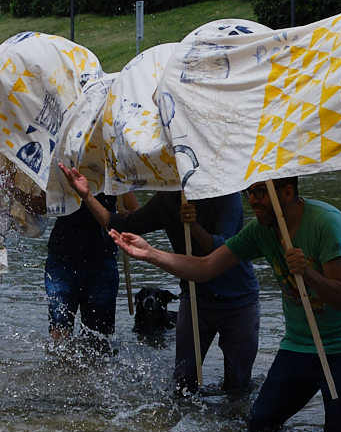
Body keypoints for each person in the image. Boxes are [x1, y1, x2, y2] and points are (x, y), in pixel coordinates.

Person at [111, 176, 341, 432]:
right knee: (260, 426)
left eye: (261, 193)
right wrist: (151, 253)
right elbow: (205, 267)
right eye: (249, 192)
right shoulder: (261, 230)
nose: (252, 201)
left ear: (287, 193)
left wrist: (308, 273)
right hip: (300, 343)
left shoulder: (327, 222)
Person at [56, 164, 260, 394]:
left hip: (238, 301)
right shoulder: (166, 199)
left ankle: (234, 428)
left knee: (238, 387)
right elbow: (120, 225)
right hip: (195, 298)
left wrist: (193, 226)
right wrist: (87, 196)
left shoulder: (226, 196)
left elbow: (219, 251)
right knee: (183, 385)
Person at [42, 176, 136, 349]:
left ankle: (93, 375)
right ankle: (59, 373)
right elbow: (41, 206)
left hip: (101, 259)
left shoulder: (113, 171)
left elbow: (134, 210)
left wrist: (126, 218)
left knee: (99, 339)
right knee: (59, 329)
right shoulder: (63, 167)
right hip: (62, 259)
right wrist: (15, 190)